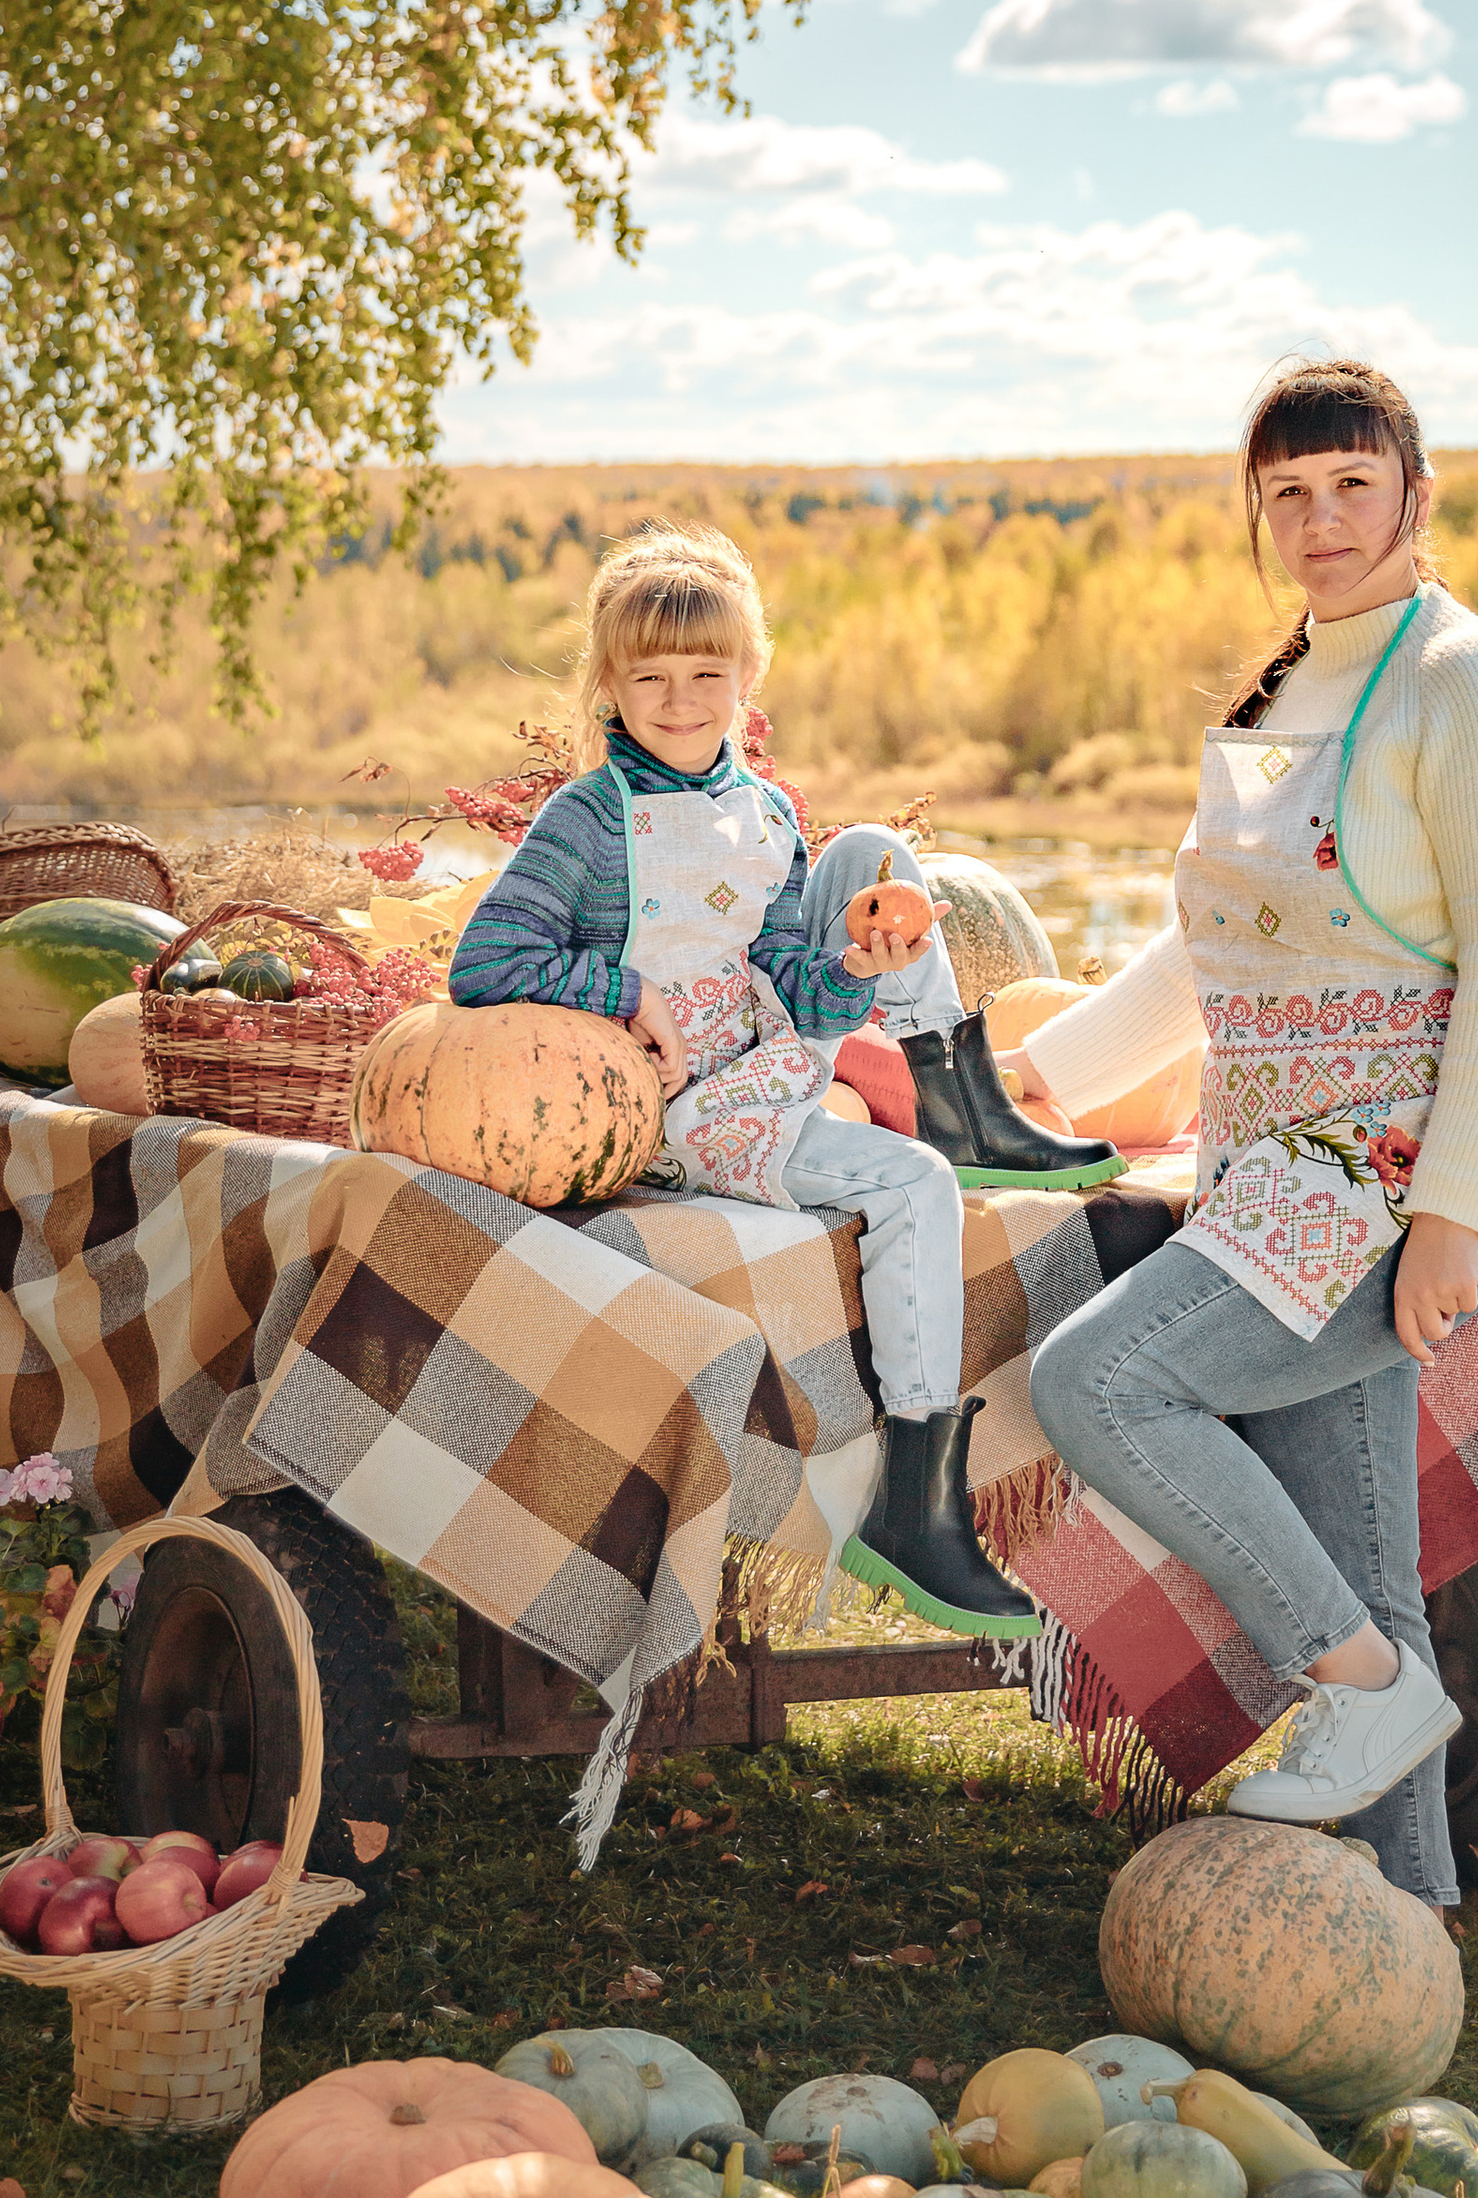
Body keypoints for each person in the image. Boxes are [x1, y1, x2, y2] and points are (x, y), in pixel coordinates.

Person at [1023, 358, 1478, 1891]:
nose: (1321, 519)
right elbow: (1215, 950)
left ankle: (1360, 1691)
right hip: (1267, 1170)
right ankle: (1404, 1925)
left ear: (1417, 492)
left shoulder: (1475, 687)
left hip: (1389, 1174)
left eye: (1352, 485)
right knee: (1363, 1565)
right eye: (1289, 493)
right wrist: (1044, 1077)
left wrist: (1453, 1217)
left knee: (1101, 1383)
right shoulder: (1281, 696)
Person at [446, 523, 1109, 1640]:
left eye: (707, 674)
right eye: (650, 678)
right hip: (674, 1110)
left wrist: (855, 965)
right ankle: (915, 1502)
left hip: (764, 1064)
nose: (680, 700)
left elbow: (798, 995)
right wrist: (624, 991)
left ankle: (956, 1098)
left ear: (748, 676)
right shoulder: (588, 821)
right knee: (914, 1187)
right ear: (608, 685)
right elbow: (485, 962)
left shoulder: (764, 816)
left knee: (873, 857)